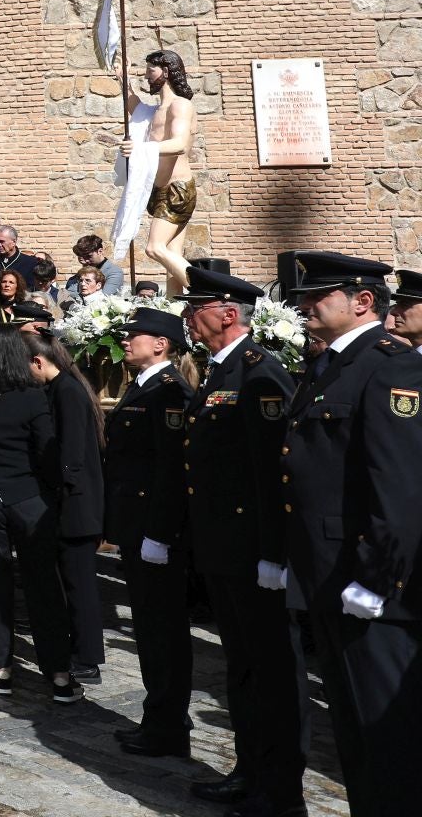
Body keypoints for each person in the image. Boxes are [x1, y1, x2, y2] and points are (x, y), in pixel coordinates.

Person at [280, 251, 422, 817]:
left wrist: (376, 580)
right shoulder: (331, 364)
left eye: (319, 295)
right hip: (327, 575)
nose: (305, 304)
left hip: (367, 586)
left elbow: (401, 489)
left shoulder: (390, 367)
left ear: (363, 301)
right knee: (353, 732)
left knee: (387, 737)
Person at [176, 266, 307, 815]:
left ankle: (280, 790)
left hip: (253, 552)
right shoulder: (220, 371)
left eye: (196, 307)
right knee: (243, 667)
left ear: (229, 313)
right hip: (224, 548)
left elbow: (275, 472)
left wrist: (273, 554)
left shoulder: (259, 373)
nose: (188, 316)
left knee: (271, 671)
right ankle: (250, 770)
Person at [0, 326, 81, 704]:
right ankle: (59, 673)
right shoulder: (33, 396)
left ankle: (1, 668)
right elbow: (47, 452)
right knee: (44, 587)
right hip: (28, 498)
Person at [106, 307, 193, 758]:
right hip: (136, 525)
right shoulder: (142, 386)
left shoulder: (168, 391)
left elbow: (171, 470)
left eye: (134, 335)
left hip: (153, 532)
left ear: (160, 344)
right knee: (149, 628)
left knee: (163, 630)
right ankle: (158, 716)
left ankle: (168, 724)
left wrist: (159, 534)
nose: (126, 341)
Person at [21, 330, 107, 681]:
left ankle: (88, 657)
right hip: (68, 501)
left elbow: (71, 453)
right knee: (70, 582)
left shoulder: (67, 391)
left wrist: (56, 488)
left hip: (76, 505)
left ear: (38, 362)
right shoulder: (58, 388)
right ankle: (76, 648)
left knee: (79, 585)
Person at [122, 50, 197, 296]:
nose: (146, 77)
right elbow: (132, 104)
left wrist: (139, 148)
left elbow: (180, 144)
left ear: (166, 72)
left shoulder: (180, 105)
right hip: (160, 191)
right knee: (172, 256)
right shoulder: (155, 111)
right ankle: (176, 308)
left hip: (177, 190)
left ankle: (213, 293)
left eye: (150, 71)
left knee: (154, 248)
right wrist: (122, 77)